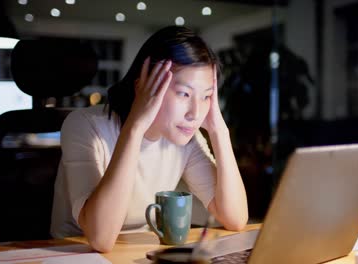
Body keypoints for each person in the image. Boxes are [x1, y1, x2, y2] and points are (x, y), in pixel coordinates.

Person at [50, 26, 248, 253]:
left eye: (206, 96)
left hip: (134, 251)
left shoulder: (185, 137)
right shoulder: (85, 125)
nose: (195, 112)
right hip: (71, 252)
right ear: (142, 87)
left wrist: (219, 131)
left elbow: (235, 218)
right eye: (184, 93)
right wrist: (135, 128)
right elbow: (101, 239)